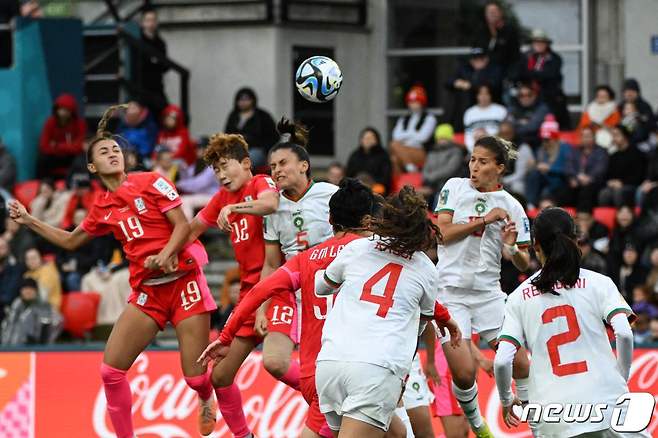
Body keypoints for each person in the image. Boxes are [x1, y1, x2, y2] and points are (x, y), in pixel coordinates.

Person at [8, 105, 218, 438]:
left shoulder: (152, 181)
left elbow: (182, 226)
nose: (113, 154)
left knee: (194, 378)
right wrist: (30, 220)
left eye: (116, 150)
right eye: (104, 152)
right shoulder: (102, 206)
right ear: (93, 166)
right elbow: (71, 241)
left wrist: (165, 255)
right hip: (148, 293)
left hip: (184, 284)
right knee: (110, 371)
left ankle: (206, 396)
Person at [200, 179, 421, 438]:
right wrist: (446, 319)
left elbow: (258, 292)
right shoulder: (375, 253)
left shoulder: (305, 259)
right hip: (355, 371)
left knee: (397, 432)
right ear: (368, 221)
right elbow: (417, 305)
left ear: (329, 220)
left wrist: (226, 337)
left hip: (315, 374)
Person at [311, 186, 459, 437]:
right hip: (376, 370)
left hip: (331, 364)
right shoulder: (425, 268)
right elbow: (418, 329)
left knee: (398, 434)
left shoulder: (358, 248)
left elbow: (321, 287)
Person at [494, 207, 648, 438]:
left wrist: (507, 399)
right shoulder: (598, 283)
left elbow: (502, 360)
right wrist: (621, 379)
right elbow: (624, 334)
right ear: (575, 241)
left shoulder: (518, 297)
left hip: (552, 417)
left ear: (536, 247)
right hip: (607, 405)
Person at [434, 135, 532, 437]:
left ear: (499, 168)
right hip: (450, 293)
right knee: (464, 373)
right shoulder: (454, 187)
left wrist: (511, 248)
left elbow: (525, 263)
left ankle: (534, 419)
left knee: (521, 364)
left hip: (489, 295)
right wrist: (485, 221)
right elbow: (443, 234)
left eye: (483, 162)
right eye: (473, 159)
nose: (473, 167)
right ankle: (479, 426)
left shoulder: (512, 206)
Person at [187, 132, 280, 438]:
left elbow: (270, 203)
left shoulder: (259, 183)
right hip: (248, 294)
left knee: (278, 363)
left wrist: (236, 209)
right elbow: (193, 229)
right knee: (222, 376)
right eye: (215, 170)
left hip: (278, 286)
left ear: (246, 163)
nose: (221, 175)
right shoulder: (222, 198)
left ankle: (326, 411)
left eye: (225, 166)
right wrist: (164, 252)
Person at [255, 118, 338, 391]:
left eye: (283, 163)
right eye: (273, 166)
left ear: (304, 166)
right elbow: (270, 264)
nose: (276, 170)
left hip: (329, 292)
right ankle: (317, 395)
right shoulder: (272, 208)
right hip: (290, 293)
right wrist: (261, 310)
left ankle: (327, 400)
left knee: (331, 364)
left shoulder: (331, 195)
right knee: (274, 362)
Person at [512, 29, 570, 129]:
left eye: (541, 42)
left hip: (548, 99)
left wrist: (530, 73)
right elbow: (516, 74)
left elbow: (549, 75)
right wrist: (534, 74)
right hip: (528, 98)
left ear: (547, 44)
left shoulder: (554, 58)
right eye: (536, 42)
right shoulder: (525, 57)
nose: (539, 44)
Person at [446, 48, 503, 131]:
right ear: (471, 60)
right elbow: (448, 82)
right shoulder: (465, 69)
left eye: (481, 59)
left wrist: (470, 85)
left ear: (486, 59)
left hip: (489, 108)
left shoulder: (493, 69)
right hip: (467, 108)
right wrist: (458, 83)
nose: (478, 62)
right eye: (475, 59)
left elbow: (494, 85)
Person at [224, 87, 278, 168]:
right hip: (235, 150)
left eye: (246, 99)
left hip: (256, 149)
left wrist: (266, 150)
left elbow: (274, 136)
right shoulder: (233, 116)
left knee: (245, 162)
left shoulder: (262, 116)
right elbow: (226, 134)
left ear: (253, 100)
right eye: (240, 100)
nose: (243, 102)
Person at [37, 93, 87, 178]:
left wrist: (56, 145)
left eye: (67, 110)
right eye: (61, 109)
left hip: (71, 157)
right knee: (42, 159)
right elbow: (44, 146)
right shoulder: (50, 122)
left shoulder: (80, 124)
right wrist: (69, 146)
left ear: (72, 111)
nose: (63, 112)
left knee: (81, 159)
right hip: (54, 156)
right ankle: (44, 185)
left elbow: (79, 146)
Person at [525, 117, 572, 207]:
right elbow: (538, 165)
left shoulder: (565, 148)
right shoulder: (542, 149)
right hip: (544, 179)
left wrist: (550, 168)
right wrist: (534, 164)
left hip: (560, 181)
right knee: (533, 175)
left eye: (548, 139)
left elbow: (568, 170)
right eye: (543, 139)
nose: (545, 142)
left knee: (546, 191)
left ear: (555, 139)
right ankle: (530, 204)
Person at [0, 278, 62, 345]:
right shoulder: (16, 305)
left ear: (36, 291)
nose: (28, 291)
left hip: (31, 351)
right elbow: (6, 325)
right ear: (21, 290)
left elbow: (58, 322)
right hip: (8, 349)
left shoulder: (44, 307)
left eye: (31, 289)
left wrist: (41, 341)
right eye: (25, 288)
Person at [390, 85, 437, 172]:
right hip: (403, 150)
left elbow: (423, 138)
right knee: (394, 159)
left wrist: (404, 138)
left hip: (421, 151)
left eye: (416, 102)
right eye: (411, 102)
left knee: (394, 145)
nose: (413, 105)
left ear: (422, 102)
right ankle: (402, 181)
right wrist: (412, 135)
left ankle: (410, 168)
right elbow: (396, 136)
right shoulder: (404, 118)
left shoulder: (429, 118)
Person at [598, 125, 646, 207]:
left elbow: (639, 176)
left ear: (625, 136)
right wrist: (610, 182)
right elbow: (608, 174)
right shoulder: (613, 156)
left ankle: (623, 215)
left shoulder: (637, 154)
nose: (614, 138)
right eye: (613, 135)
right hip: (615, 186)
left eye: (616, 135)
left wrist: (622, 183)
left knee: (619, 192)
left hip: (631, 186)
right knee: (604, 193)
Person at [563, 125, 609, 210]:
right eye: (584, 136)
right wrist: (574, 178)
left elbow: (601, 169)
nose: (586, 139)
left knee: (586, 191)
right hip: (577, 180)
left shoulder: (601, 151)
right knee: (563, 191)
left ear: (594, 137)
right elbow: (569, 166)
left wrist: (589, 178)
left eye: (588, 136)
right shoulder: (575, 150)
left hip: (594, 182)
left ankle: (583, 216)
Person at [135, 7, 169, 118]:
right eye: (148, 20)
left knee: (164, 113)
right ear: (142, 23)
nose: (151, 23)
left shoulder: (160, 42)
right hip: (141, 86)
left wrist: (155, 62)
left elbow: (165, 66)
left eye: (153, 20)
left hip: (157, 86)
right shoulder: (137, 40)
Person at [177, 138, 220, 220]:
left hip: (213, 196)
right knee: (179, 200)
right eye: (197, 148)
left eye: (200, 148)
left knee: (185, 201)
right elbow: (187, 179)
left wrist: (178, 184)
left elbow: (198, 185)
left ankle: (187, 231)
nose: (198, 150)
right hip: (200, 195)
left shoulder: (213, 164)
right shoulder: (197, 164)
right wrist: (183, 170)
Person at [472, 1, 520, 74]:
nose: (491, 14)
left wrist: (488, 60)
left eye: (494, 11)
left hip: (502, 69)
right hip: (481, 67)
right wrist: (476, 59)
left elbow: (512, 55)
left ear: (500, 13)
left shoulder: (509, 31)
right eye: (489, 12)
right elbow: (475, 48)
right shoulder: (482, 31)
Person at [422, 124, 466, 198]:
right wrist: (427, 177)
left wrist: (432, 177)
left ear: (449, 138)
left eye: (444, 138)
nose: (441, 140)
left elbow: (450, 169)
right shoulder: (432, 152)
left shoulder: (456, 151)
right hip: (431, 185)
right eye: (440, 138)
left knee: (438, 196)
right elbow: (425, 168)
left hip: (447, 185)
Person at [346, 127, 392, 194]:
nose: (368, 141)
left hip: (375, 186)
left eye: (371, 138)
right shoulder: (355, 155)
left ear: (377, 140)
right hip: (357, 185)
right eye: (366, 138)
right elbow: (349, 174)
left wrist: (370, 182)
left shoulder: (383, 155)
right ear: (361, 140)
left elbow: (386, 177)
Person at [463, 83, 508, 152]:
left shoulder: (501, 110)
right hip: (476, 151)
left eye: (486, 93)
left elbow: (506, 133)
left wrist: (487, 137)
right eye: (480, 94)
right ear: (476, 95)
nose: (483, 96)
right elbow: (468, 136)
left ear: (491, 95)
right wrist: (473, 151)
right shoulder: (469, 113)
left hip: (496, 150)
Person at [506, 83, 550, 148]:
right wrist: (521, 123)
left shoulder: (541, 108)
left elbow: (533, 127)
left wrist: (515, 125)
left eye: (529, 95)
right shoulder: (513, 107)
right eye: (521, 95)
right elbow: (507, 125)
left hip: (536, 145)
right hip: (515, 144)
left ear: (534, 95)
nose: (525, 98)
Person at [499, 121, 534, 196]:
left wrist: (503, 181)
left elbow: (520, 174)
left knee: (517, 187)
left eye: (507, 133)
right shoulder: (496, 147)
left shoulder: (522, 147)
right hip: (499, 180)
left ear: (513, 133)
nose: (504, 137)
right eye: (502, 134)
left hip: (516, 181)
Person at [0, 236, 23, 322]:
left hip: (7, 309)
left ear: (8, 249)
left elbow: (8, 297)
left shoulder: (15, 267)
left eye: (2, 247)